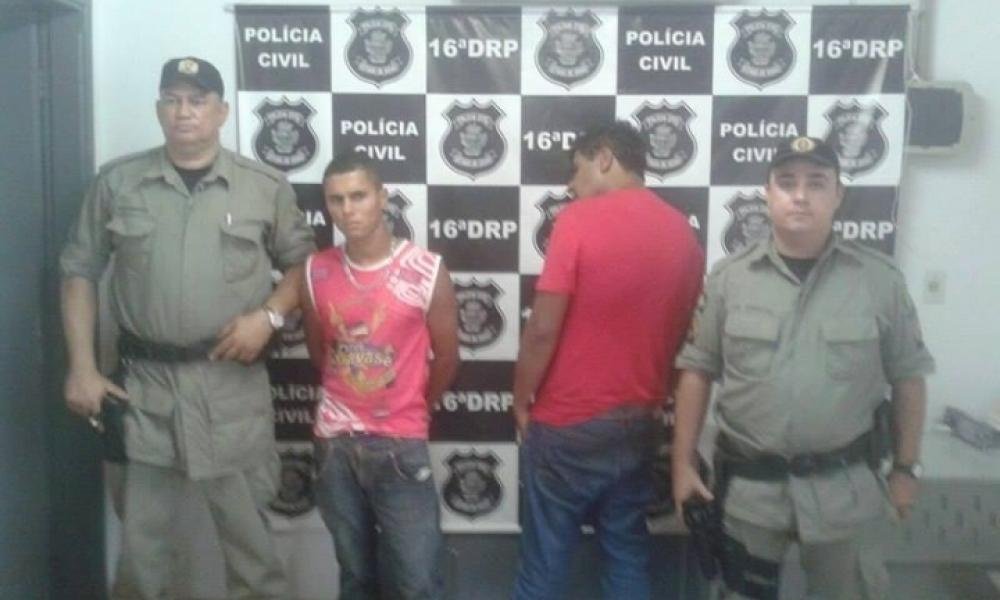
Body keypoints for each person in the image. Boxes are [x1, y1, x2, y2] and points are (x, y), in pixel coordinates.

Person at [60, 56, 315, 599]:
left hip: (231, 390)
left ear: (221, 112)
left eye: (197, 101)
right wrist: (81, 367)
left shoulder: (262, 187)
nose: (184, 112)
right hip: (144, 392)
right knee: (143, 557)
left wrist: (269, 316)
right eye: (172, 100)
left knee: (253, 556)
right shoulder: (119, 182)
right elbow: (78, 270)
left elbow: (304, 267)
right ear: (159, 109)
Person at [671, 136, 934, 600]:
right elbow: (697, 371)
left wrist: (906, 468)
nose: (800, 195)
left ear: (838, 194)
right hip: (749, 492)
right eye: (786, 182)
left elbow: (909, 378)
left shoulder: (879, 281)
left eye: (816, 183)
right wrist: (681, 462)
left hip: (845, 490)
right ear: (767, 193)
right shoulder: (730, 278)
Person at [512, 121, 706, 599]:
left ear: (604, 158)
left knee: (544, 567)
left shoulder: (578, 220)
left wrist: (520, 399)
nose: (570, 186)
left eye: (576, 170)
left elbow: (542, 328)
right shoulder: (683, 233)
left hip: (567, 423)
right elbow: (686, 339)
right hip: (640, 421)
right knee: (626, 556)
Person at [302, 151, 459, 600]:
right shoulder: (316, 270)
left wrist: (412, 405)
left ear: (382, 197)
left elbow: (448, 357)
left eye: (359, 196)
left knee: (418, 582)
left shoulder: (425, 269)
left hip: (399, 443)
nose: (347, 210)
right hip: (334, 445)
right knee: (356, 578)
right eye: (336, 200)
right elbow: (319, 353)